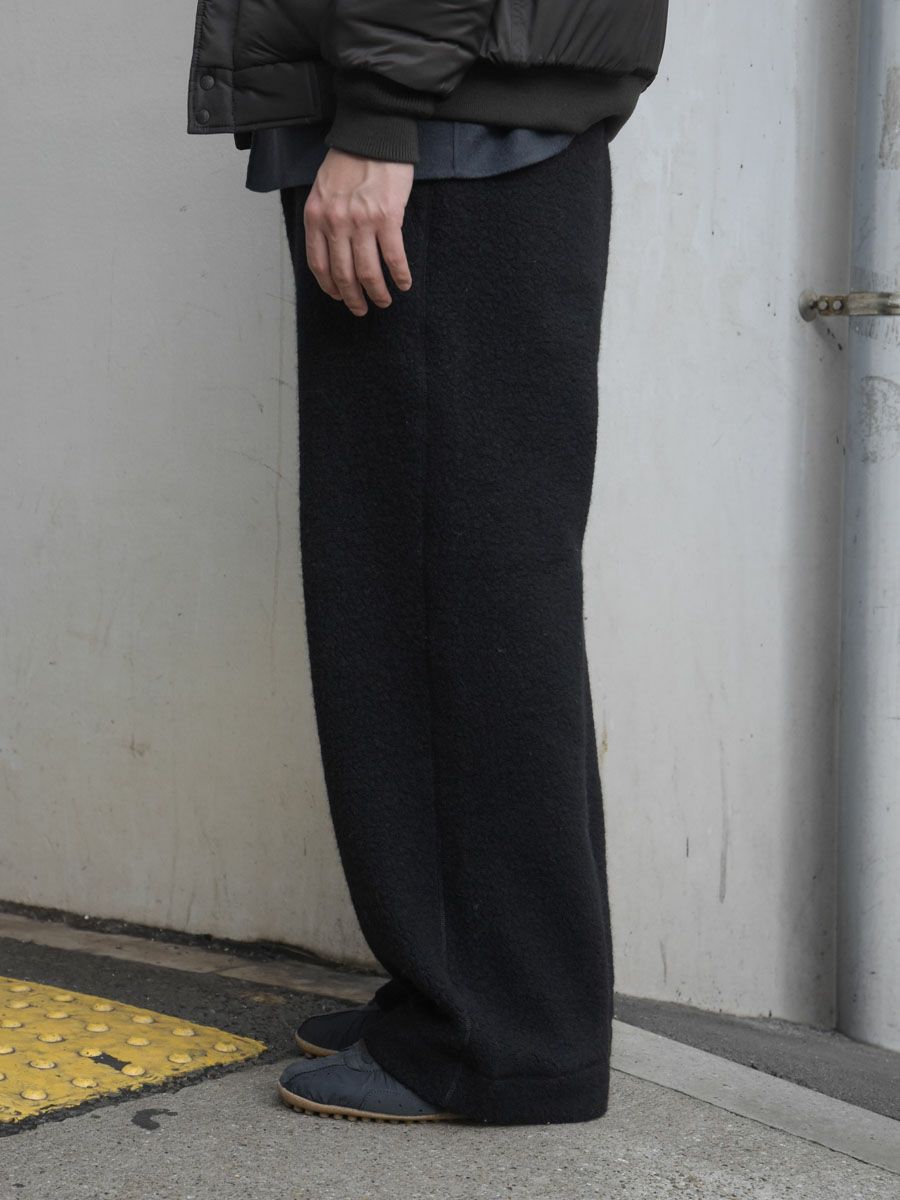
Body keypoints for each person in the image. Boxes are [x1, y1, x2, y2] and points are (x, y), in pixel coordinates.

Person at [187, 0, 670, 1126]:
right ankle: (472, 991)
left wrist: (379, 118)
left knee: (453, 592)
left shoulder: (406, 121)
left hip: (440, 127)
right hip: (452, 116)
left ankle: (500, 1038)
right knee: (437, 581)